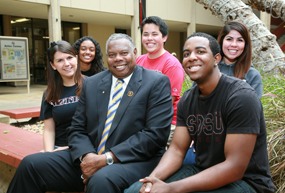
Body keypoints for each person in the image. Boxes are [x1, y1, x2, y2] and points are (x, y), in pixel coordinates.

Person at [6, 33, 173, 193]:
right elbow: (77, 128)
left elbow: (155, 135)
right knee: (31, 165)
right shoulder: (92, 83)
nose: (118, 59)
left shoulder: (155, 82)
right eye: (112, 54)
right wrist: (87, 156)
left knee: (101, 179)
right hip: (91, 156)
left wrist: (106, 158)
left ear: (135, 53)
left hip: (133, 160)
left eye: (124, 53)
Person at [125, 32, 276, 193]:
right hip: (202, 170)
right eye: (186, 54)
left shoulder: (240, 96)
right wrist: (153, 180)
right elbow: (176, 150)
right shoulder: (188, 100)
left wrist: (171, 188)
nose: (191, 57)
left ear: (216, 59)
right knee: (135, 191)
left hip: (246, 182)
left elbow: (234, 167)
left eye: (200, 51)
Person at [137, 16, 184, 147]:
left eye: (154, 34)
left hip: (166, 123)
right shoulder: (138, 61)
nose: (149, 38)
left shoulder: (171, 64)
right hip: (142, 119)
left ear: (164, 37)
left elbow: (170, 100)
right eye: (145, 34)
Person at [40, 40, 84, 152]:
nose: (67, 64)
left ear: (77, 58)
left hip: (85, 148)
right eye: (60, 60)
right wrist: (49, 154)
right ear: (53, 65)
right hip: (59, 149)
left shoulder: (91, 85)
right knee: (30, 164)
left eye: (70, 58)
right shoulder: (49, 94)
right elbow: (49, 130)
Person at [217, 21, 263, 98]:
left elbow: (254, 107)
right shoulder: (208, 70)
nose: (234, 44)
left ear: (245, 45)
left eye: (240, 40)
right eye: (229, 39)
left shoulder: (252, 75)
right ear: (222, 41)